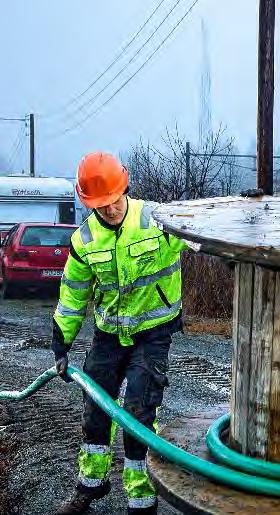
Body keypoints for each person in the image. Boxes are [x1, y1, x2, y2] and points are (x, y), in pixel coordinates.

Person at [52, 152, 187, 514]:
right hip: (109, 336)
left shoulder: (156, 219)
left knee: (137, 413)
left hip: (153, 334)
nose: (109, 210)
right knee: (96, 407)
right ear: (88, 203)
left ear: (123, 188)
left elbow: (199, 233)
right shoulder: (84, 240)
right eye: (101, 206)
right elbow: (73, 294)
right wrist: (61, 340)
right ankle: (91, 484)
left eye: (113, 202)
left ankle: (142, 499)